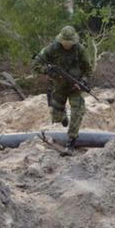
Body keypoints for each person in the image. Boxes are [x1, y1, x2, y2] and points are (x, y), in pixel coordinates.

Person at [32, 26, 93, 154]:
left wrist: (82, 82)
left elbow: (88, 70)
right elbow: (36, 64)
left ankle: (71, 141)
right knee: (56, 116)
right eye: (65, 42)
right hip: (58, 86)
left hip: (75, 86)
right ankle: (62, 115)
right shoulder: (52, 48)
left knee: (78, 110)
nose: (67, 45)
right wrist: (48, 71)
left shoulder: (80, 50)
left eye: (69, 43)